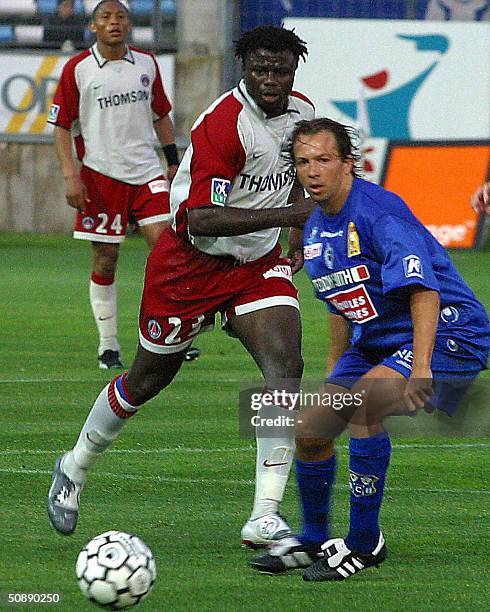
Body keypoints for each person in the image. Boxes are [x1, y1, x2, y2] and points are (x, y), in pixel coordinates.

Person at [47, 25, 316, 545]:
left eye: (280, 70)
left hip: (255, 267)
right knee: (147, 380)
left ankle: (265, 513)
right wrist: (286, 214)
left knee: (286, 363)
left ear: (293, 72)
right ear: (244, 68)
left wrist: (298, 237)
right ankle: (75, 464)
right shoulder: (223, 125)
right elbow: (199, 220)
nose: (269, 79)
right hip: (189, 266)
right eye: (260, 69)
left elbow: (303, 181)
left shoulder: (303, 114)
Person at [251, 117, 490, 579]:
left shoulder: (378, 213)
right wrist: (334, 372)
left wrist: (420, 367)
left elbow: (424, 290)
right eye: (303, 161)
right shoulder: (318, 228)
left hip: (448, 333)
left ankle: (363, 543)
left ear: (348, 163)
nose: (313, 170)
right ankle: (314, 538)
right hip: (378, 339)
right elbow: (341, 304)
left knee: (364, 408)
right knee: (312, 430)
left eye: (323, 159)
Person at [48, 0, 199, 369]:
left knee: (168, 252)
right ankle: (108, 345)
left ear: (129, 25)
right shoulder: (78, 69)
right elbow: (62, 126)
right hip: (101, 175)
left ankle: (172, 334)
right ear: (94, 27)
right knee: (106, 257)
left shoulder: (147, 64)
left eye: (120, 17)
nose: (114, 22)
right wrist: (71, 175)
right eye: (105, 17)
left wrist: (173, 161)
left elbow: (161, 114)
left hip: (146, 173)